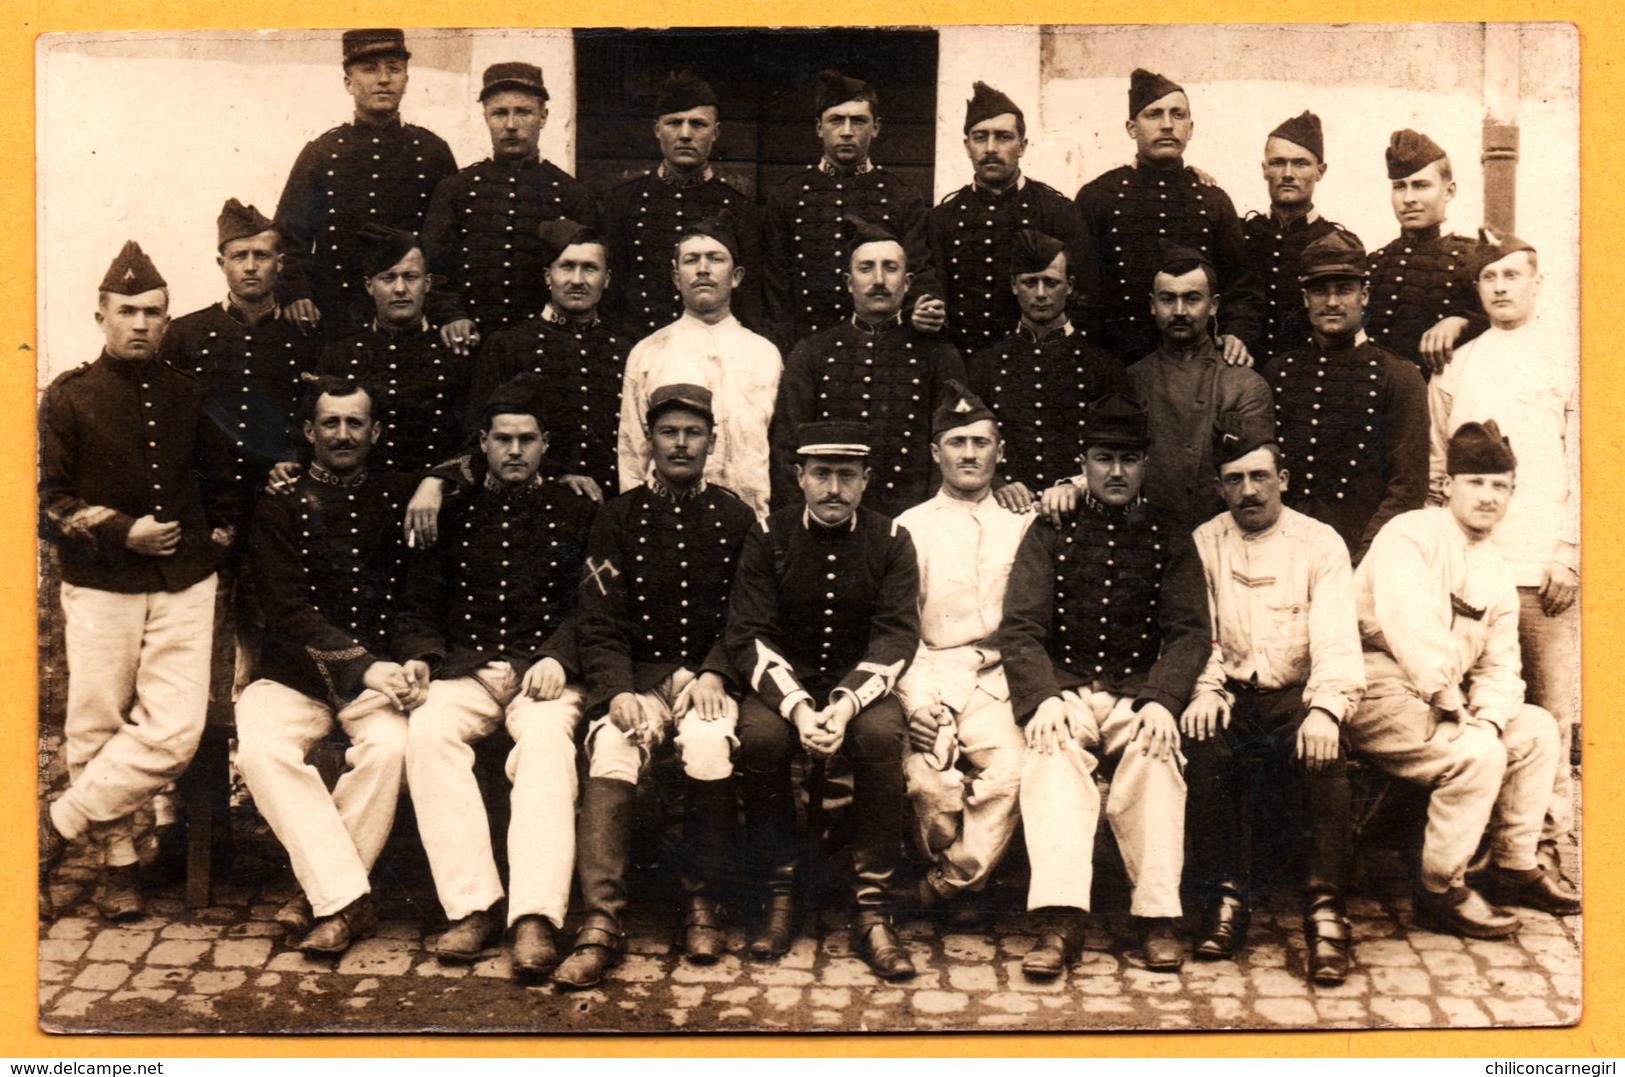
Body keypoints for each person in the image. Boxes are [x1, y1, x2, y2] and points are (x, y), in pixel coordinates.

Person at [39, 241, 239, 920]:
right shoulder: (70, 396)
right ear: (101, 314)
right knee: (96, 723)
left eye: (153, 312)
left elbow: (221, 481)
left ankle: (55, 826)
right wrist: (123, 530)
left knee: (175, 728)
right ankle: (119, 865)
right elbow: (49, 501)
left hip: (184, 581)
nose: (141, 324)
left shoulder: (189, 392)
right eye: (127, 310)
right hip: (101, 581)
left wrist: (213, 539)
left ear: (166, 317)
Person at [552, 384, 758, 989]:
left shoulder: (736, 517)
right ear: (650, 441)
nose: (681, 443)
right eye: (669, 432)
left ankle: (703, 904)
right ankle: (601, 922)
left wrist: (718, 670)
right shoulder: (617, 518)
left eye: (693, 433)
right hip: (636, 681)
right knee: (612, 748)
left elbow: (747, 616)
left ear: (712, 442)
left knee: (709, 747)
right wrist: (616, 690)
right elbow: (598, 620)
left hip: (709, 680)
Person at [999, 392, 1207, 977]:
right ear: (1083, 463)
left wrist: (1164, 700)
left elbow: (1190, 631)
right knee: (1051, 753)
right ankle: (1061, 920)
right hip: (1067, 689)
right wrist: (1042, 697)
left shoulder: (1169, 532)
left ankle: (1157, 917)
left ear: (1146, 463)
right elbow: (1020, 627)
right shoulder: (1050, 529)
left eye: (1129, 460)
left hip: (1136, 692)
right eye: (1103, 458)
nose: (1116, 472)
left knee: (1156, 755)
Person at [395, 375, 596, 973]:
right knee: (427, 729)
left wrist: (560, 655)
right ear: (479, 443)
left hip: (547, 670)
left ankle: (535, 916)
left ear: (544, 445)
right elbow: (416, 605)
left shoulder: (576, 510)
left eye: (526, 440)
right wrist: (422, 657)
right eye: (502, 439)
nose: (514, 451)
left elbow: (595, 605)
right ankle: (473, 904)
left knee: (543, 742)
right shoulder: (448, 510)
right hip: (469, 668)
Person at [1346, 421, 1575, 936]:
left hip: (1446, 700)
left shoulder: (1494, 566)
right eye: (1476, 482)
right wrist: (1454, 705)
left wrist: (1490, 719)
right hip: (1373, 689)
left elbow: (1500, 666)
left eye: (1501, 486)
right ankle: (1439, 889)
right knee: (1475, 755)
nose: (1489, 497)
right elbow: (1413, 629)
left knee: (1536, 730)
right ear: (1449, 485)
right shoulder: (1411, 535)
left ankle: (1514, 866)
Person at [725, 421, 920, 980]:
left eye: (846, 476)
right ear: (799, 477)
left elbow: (896, 634)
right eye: (821, 475)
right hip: (784, 684)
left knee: (882, 736)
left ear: (865, 481)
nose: (833, 489)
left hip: (856, 687)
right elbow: (751, 633)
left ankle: (872, 909)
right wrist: (799, 708)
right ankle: (779, 897)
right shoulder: (769, 535)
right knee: (760, 738)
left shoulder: (890, 540)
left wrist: (842, 705)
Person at [1180, 413, 1364, 985]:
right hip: (1231, 693)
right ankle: (1226, 899)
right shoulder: (1205, 541)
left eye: (1259, 476)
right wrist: (1207, 688)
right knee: (1204, 743)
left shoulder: (1319, 542)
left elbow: (1336, 636)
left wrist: (1327, 709)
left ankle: (1326, 910)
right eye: (1233, 480)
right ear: (1219, 487)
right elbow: (1195, 628)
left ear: (1282, 478)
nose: (1248, 491)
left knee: (1325, 753)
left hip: (1296, 695)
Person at [234, 378, 414, 955]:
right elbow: (286, 609)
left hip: (376, 677)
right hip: (293, 674)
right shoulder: (278, 503)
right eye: (330, 423)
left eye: (355, 423)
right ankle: (346, 900)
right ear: (309, 431)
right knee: (262, 752)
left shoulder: (397, 496)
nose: (342, 434)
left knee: (388, 750)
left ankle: (315, 897)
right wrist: (363, 666)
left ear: (375, 431)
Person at [1427, 231, 1579, 895]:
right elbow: (1440, 469)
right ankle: (1483, 849)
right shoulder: (1459, 367)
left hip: (1542, 569)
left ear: (1536, 280)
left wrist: (1569, 550)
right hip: (1473, 574)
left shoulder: (1568, 356)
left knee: (1549, 711)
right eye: (1488, 277)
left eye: (1512, 274)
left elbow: (1592, 461)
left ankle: (1540, 847)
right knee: (1481, 711)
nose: (1500, 286)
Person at [893, 385, 1033, 921]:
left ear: (1000, 452)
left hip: (1001, 678)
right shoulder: (910, 527)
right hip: (933, 672)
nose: (970, 454)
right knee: (927, 779)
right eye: (957, 443)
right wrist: (918, 705)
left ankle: (949, 884)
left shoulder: (1025, 520)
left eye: (981, 442)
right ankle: (949, 871)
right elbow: (902, 630)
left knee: (1014, 769)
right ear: (936, 453)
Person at [273, 30, 465, 346]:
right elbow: (289, 235)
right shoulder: (321, 153)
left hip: (414, 317)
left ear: (406, 79)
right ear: (348, 82)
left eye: (393, 68)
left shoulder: (433, 152)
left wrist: (446, 310)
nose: (384, 79)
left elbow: (451, 243)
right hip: (333, 314)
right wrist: (296, 293)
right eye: (370, 69)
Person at [771, 217, 966, 519]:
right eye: (866, 268)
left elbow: (951, 447)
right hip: (830, 517)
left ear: (908, 282)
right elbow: (787, 448)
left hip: (915, 517)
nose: (878, 280)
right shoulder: (812, 352)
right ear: (849, 282)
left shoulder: (938, 355)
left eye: (890, 268)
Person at [1075, 69, 1260, 364]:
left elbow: (1241, 287)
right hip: (1116, 361)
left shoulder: (1213, 200)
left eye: (1177, 115)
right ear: (1131, 127)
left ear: (1191, 127)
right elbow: (1079, 290)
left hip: (1197, 363)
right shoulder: (1098, 197)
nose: (1167, 125)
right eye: (1153, 114)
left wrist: (1236, 333)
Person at [1269, 229, 1427, 562]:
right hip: (1283, 555)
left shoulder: (1398, 377)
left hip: (1360, 553)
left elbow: (1407, 487)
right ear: (1304, 299)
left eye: (1344, 290)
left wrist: (1363, 561)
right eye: (1319, 291)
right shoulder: (1278, 374)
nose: (1331, 303)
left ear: (1364, 295)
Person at [761, 69, 940, 350]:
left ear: (876, 127)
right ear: (819, 127)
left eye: (858, 121)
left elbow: (918, 269)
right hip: (804, 346)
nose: (846, 131)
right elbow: (775, 287)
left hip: (883, 345)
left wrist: (924, 305)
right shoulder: (787, 196)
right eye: (836, 120)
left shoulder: (902, 196)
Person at [617, 213, 781, 517]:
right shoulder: (649, 352)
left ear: (736, 276)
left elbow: (778, 448)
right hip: (665, 519)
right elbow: (632, 449)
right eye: (692, 260)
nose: (703, 269)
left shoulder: (765, 354)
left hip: (752, 519)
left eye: (715, 259)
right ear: (677, 277)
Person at [422, 62, 596, 333]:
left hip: (545, 342)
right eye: (499, 113)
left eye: (523, 112)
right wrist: (451, 316)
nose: (511, 125)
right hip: (468, 339)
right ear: (486, 117)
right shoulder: (455, 190)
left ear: (543, 116)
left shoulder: (572, 194)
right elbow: (433, 268)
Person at [162, 198, 320, 497]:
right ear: (222, 264)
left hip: (280, 490)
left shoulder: (304, 338)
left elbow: (316, 419)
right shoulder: (185, 333)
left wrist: (293, 462)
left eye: (261, 255)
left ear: (280, 263)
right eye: (239, 256)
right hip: (205, 490)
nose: (250, 267)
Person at [966, 228, 1129, 508]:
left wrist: (1077, 486)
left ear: (1070, 285)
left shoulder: (1103, 366)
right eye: (1030, 282)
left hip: (1083, 507)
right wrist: (997, 482)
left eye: (1051, 283)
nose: (1040, 294)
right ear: (1014, 285)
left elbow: (1122, 447)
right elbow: (966, 440)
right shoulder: (984, 366)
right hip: (1003, 509)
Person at [928, 81, 1097, 353]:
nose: (991, 148)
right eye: (980, 137)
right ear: (967, 146)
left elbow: (1083, 297)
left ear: (1022, 146)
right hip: (964, 361)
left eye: (1004, 137)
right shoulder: (943, 218)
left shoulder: (1057, 211)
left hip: (1036, 361)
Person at [599, 70, 761, 341]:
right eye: (674, 123)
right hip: (637, 345)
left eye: (698, 124)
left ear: (716, 132)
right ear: (656, 129)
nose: (685, 134)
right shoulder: (623, 202)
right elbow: (609, 295)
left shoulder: (739, 209)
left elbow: (749, 302)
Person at [1125, 245, 1273, 526]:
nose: (1179, 311)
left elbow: (1251, 478)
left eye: (1192, 299)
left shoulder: (1243, 384)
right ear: (1152, 304)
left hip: (1221, 537)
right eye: (1168, 299)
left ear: (1214, 305)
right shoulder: (1133, 380)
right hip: (1145, 536)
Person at [317, 225, 471, 476]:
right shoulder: (340, 354)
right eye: (388, 278)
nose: (400, 289)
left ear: (428, 284)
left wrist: (441, 479)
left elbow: (474, 434)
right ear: (369, 285)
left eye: (411, 277)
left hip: (440, 490)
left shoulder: (455, 350)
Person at [1240, 112, 1359, 364]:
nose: (1287, 173)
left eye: (1300, 163)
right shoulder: (1242, 234)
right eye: (1277, 162)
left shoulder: (1338, 241)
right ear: (1264, 169)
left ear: (1320, 171)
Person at [1364, 129, 1487, 376]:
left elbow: (1508, 325)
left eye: (1421, 186)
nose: (1408, 198)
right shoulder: (1374, 263)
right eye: (1400, 187)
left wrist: (1462, 322)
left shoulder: (1475, 258)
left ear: (1449, 191)